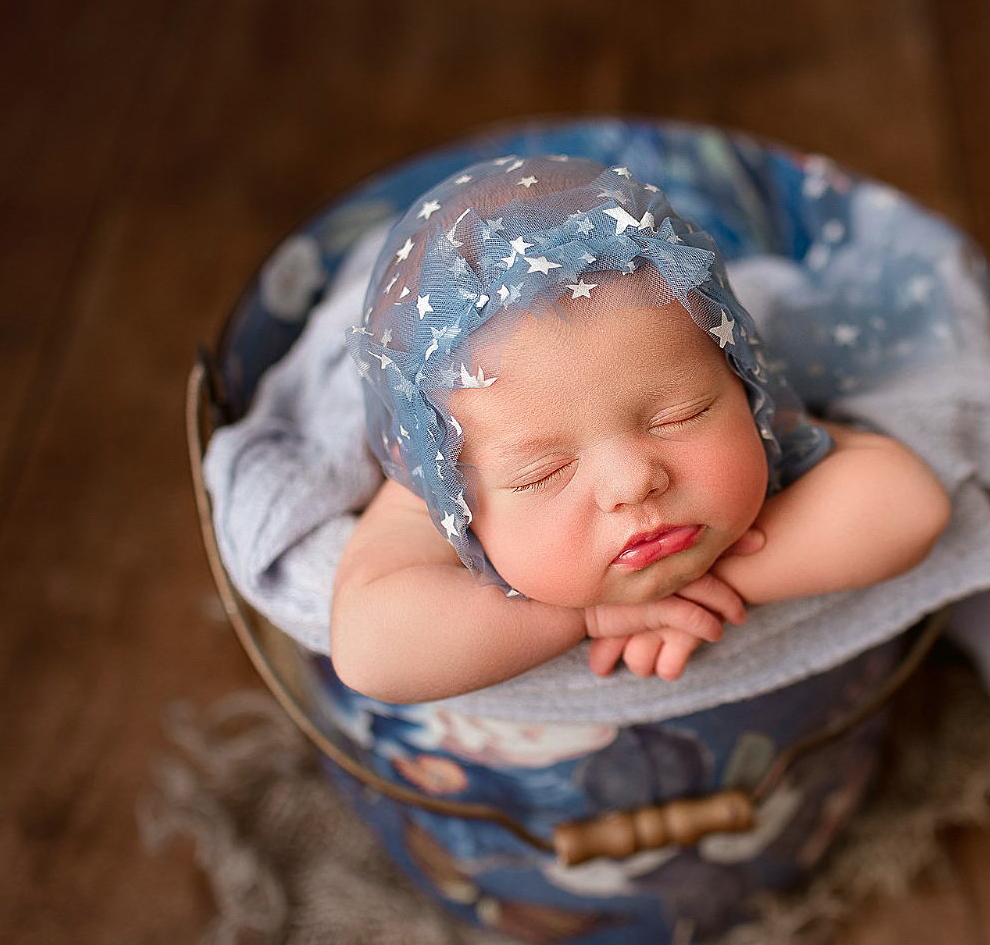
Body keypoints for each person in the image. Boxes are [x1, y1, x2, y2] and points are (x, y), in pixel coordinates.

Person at [329, 155, 950, 705]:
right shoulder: (428, 481)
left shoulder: (757, 412)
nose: (635, 482)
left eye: (678, 417)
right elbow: (371, 651)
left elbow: (908, 505)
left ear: (741, 377)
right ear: (450, 498)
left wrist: (716, 581)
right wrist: (588, 617)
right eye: (543, 473)